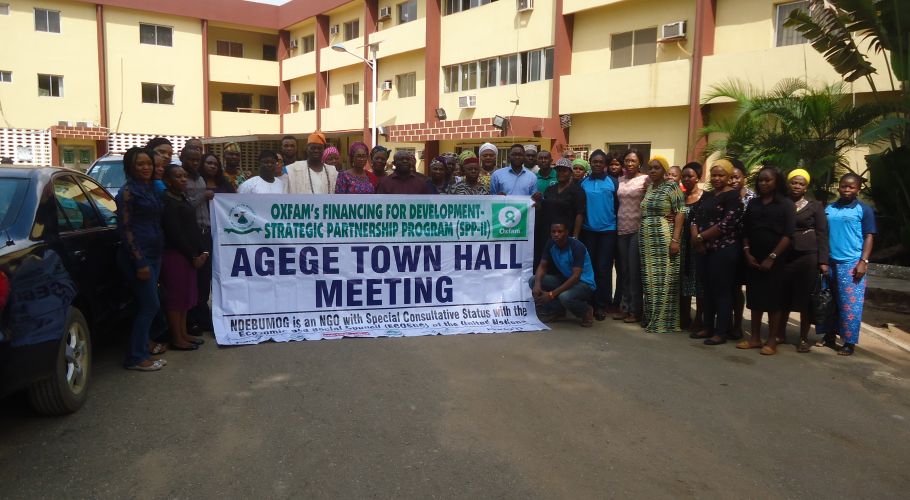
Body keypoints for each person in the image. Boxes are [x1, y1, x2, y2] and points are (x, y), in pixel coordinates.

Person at [115, 147, 166, 371]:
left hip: (155, 253)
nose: (146, 167)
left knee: (147, 304)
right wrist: (140, 261)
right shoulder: (127, 192)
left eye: (149, 163)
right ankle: (136, 357)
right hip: (139, 256)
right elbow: (125, 229)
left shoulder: (150, 189)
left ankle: (145, 345)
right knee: (150, 305)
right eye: (140, 164)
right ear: (130, 168)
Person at [816, 173, 876, 356]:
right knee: (828, 301)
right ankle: (829, 336)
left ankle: (849, 342)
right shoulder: (829, 209)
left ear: (858, 189)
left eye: (851, 187)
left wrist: (863, 262)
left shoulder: (863, 210)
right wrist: (822, 260)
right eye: (843, 186)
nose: (847, 189)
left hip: (851, 263)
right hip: (830, 262)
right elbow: (822, 234)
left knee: (850, 305)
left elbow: (869, 236)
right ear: (839, 187)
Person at [739, 167, 795, 355]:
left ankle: (772, 340)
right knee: (754, 299)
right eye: (761, 180)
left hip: (776, 259)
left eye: (768, 180)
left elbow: (788, 235)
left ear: (777, 181)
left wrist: (772, 257)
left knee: (773, 300)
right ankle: (754, 338)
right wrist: (747, 252)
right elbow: (745, 230)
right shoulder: (753, 204)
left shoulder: (786, 205)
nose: (764, 183)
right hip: (753, 257)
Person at [774, 168, 829, 353]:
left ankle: (804, 338)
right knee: (782, 296)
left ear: (806, 187)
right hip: (785, 256)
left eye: (801, 183)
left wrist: (823, 261)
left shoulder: (815, 206)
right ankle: (779, 333)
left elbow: (822, 233)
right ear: (788, 184)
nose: (797, 186)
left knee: (806, 299)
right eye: (794, 182)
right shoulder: (782, 203)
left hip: (807, 258)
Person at [691, 159, 745, 345]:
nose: (716, 178)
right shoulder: (708, 196)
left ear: (729, 177)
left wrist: (700, 237)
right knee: (707, 290)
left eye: (721, 175)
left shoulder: (733, 197)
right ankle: (707, 327)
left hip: (724, 251)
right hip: (703, 250)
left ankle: (721, 331)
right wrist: (696, 239)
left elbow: (726, 224)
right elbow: (695, 217)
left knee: (722, 291)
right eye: (714, 175)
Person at [160, 164, 207, 351]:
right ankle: (176, 337)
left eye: (184, 176)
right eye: (178, 176)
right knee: (176, 297)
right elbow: (175, 233)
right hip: (176, 254)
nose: (183, 179)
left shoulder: (182, 197)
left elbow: (192, 227)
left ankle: (183, 332)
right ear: (167, 180)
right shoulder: (168, 201)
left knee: (187, 295)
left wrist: (202, 251)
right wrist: (192, 255)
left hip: (189, 253)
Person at [640, 156, 685, 334]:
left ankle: (664, 321)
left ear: (664, 170)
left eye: (657, 168)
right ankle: (651, 317)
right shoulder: (650, 187)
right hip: (646, 240)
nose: (652, 171)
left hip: (664, 237)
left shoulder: (671, 186)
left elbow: (681, 212)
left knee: (664, 280)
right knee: (650, 281)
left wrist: (675, 240)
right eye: (650, 168)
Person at [530, 221, 596, 327]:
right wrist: (537, 285)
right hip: (566, 279)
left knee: (564, 297)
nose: (556, 234)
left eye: (560, 231)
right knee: (533, 280)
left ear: (566, 232)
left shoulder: (577, 247)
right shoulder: (551, 243)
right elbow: (542, 266)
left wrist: (551, 295)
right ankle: (557, 310)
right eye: (553, 231)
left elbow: (576, 277)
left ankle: (586, 311)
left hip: (584, 283)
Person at [579, 150, 619, 321]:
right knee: (590, 268)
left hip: (608, 231)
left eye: (600, 162)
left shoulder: (613, 182)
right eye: (594, 161)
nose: (597, 164)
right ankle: (590, 303)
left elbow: (618, 205)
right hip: (588, 231)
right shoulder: (583, 183)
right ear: (590, 163)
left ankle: (602, 305)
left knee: (604, 268)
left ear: (605, 165)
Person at [181, 147, 214, 335]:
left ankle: (202, 317)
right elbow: (185, 207)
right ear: (182, 158)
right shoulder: (181, 178)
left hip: (205, 232)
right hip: (191, 234)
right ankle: (191, 321)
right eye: (191, 159)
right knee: (192, 280)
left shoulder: (200, 177)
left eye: (197, 160)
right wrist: (204, 195)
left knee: (204, 280)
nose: (194, 163)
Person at [614, 149, 648, 323]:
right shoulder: (619, 180)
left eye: (633, 161)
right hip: (621, 230)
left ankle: (636, 310)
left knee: (634, 272)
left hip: (637, 229)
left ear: (639, 163)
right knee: (624, 271)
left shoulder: (645, 180)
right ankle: (624, 307)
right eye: (626, 160)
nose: (629, 164)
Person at [731, 160, 755, 337]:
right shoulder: (722, 196)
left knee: (738, 287)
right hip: (724, 247)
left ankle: (738, 324)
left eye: (736, 177)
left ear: (744, 178)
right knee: (727, 287)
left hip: (745, 248)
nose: (733, 181)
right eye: (730, 178)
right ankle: (723, 322)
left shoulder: (752, 198)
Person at [679, 162, 704, 331]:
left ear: (698, 178)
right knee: (683, 282)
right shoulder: (680, 196)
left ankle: (699, 319)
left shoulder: (705, 197)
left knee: (699, 284)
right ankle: (684, 317)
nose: (686, 179)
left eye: (690, 176)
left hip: (698, 245)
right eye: (684, 176)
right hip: (681, 244)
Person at [539, 159, 585, 239]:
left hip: (566, 233)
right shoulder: (549, 189)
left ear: (570, 173)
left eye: (564, 171)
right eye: (558, 171)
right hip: (549, 232)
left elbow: (579, 214)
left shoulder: (577, 191)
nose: (561, 173)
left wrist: (575, 236)